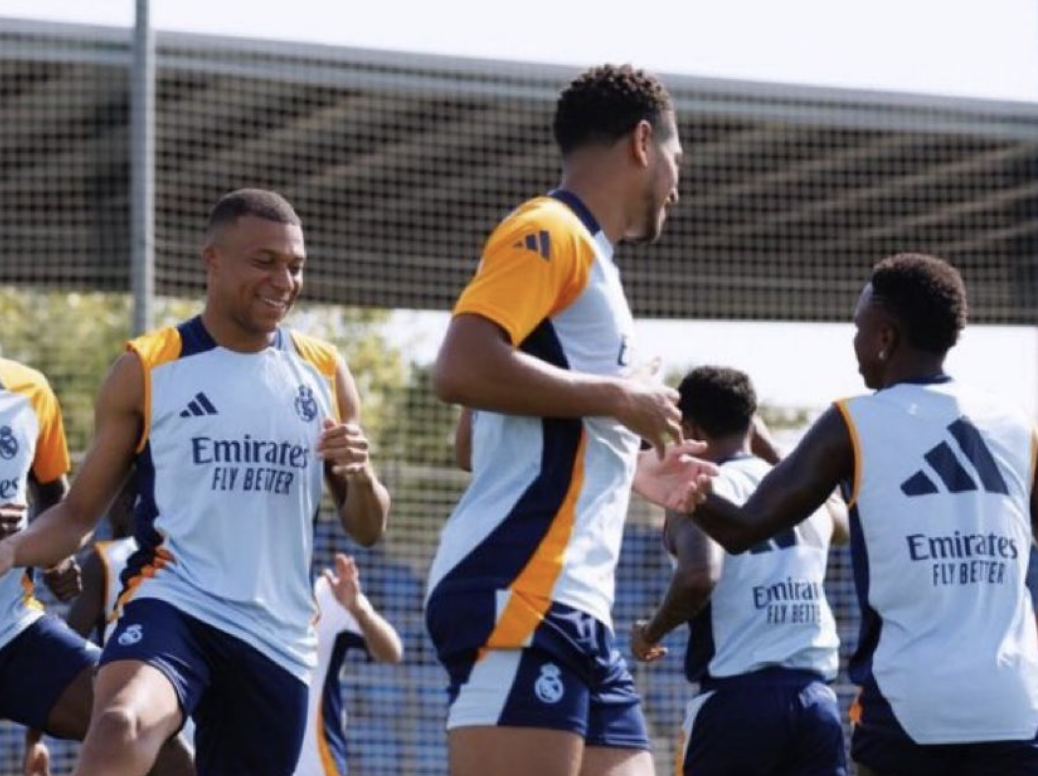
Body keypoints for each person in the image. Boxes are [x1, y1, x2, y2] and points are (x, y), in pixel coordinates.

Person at [0, 188, 391, 776]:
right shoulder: (148, 367)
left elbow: (367, 526)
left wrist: (359, 476)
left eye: (295, 265)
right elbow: (77, 516)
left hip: (278, 635)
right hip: (173, 602)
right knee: (121, 721)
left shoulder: (325, 372)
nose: (283, 280)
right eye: (264, 261)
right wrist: (12, 551)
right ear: (212, 258)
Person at [426, 63, 713, 776]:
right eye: (678, 156)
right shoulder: (550, 229)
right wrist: (620, 400)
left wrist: (629, 463)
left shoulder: (601, 269)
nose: (679, 178)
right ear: (644, 142)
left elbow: (476, 437)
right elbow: (460, 369)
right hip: (520, 583)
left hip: (575, 604)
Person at [676, 254, 1038, 776]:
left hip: (912, 708)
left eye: (858, 327)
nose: (854, 344)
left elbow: (743, 527)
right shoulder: (1015, 425)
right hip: (1015, 705)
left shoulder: (854, 421)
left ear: (885, 338)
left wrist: (681, 486)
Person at [630, 366, 848, 776]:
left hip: (737, 702)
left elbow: (699, 575)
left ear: (689, 427)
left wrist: (650, 632)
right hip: (815, 701)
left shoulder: (698, 489)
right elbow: (842, 521)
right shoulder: (799, 492)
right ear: (753, 422)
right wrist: (772, 451)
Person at [293, 552, 403, 776]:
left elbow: (392, 652)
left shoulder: (329, 593)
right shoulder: (237, 594)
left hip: (316, 764)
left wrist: (357, 609)